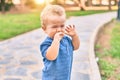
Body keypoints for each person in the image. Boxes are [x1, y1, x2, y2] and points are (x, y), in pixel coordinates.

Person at [40, 5, 80, 80]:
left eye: (62, 26)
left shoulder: (66, 40)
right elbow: (52, 57)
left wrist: (74, 36)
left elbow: (76, 46)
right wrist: (56, 41)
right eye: (54, 27)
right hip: (50, 78)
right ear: (44, 29)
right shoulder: (46, 43)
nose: (59, 30)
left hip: (65, 77)